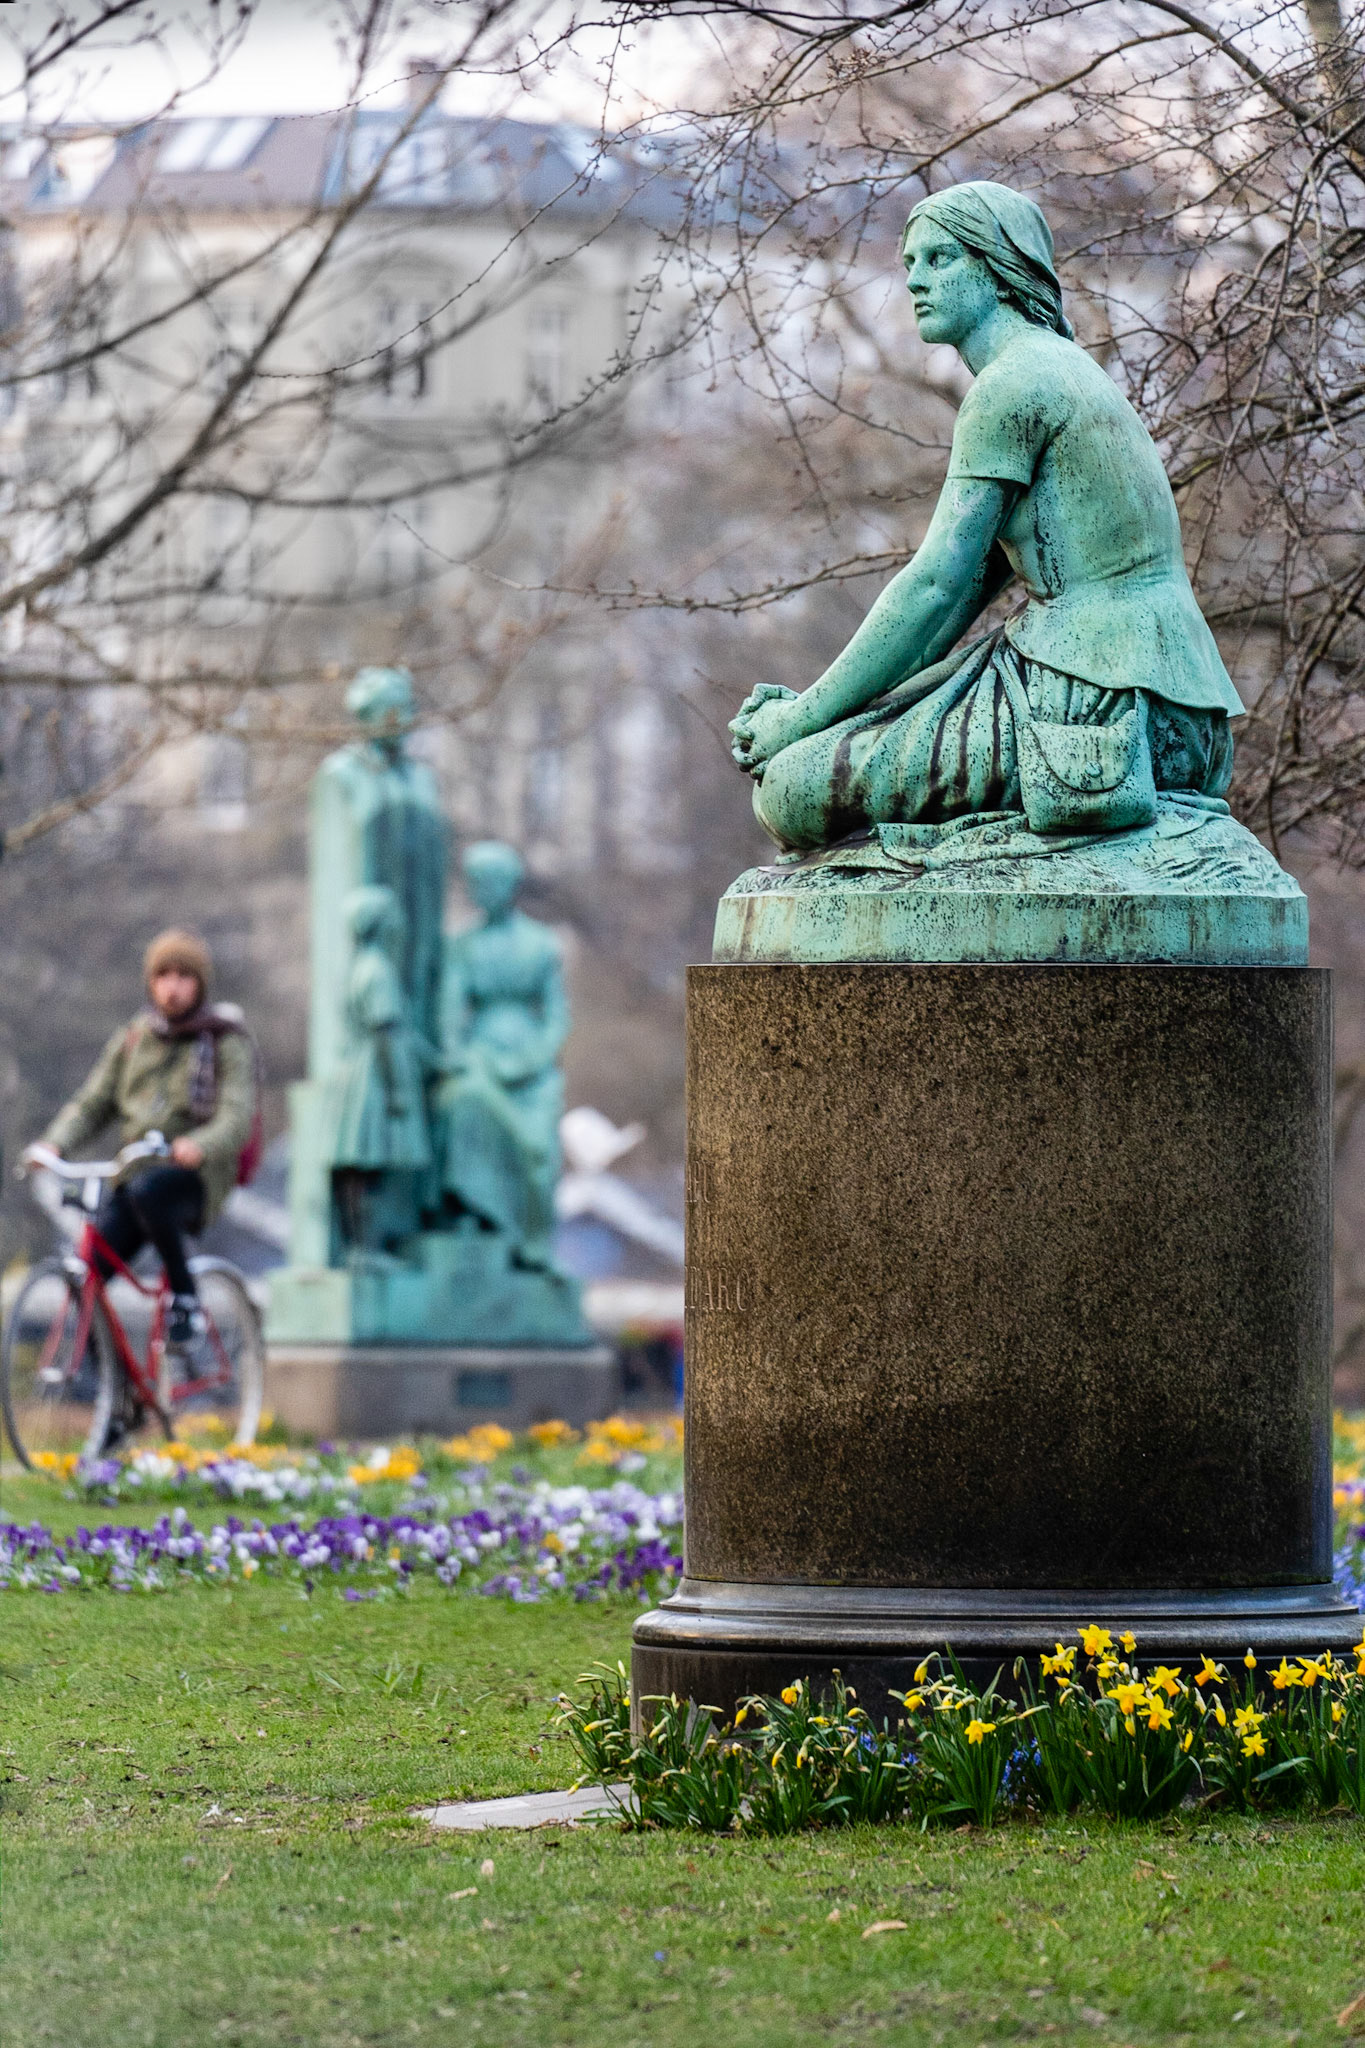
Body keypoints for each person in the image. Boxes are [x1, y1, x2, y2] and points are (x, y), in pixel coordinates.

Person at [727, 180, 1244, 853]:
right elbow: (959, 596)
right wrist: (827, 712)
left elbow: (934, 584)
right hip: (1178, 719)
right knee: (824, 756)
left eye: (941, 259)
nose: (916, 279)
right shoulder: (1060, 371)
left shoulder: (1012, 385)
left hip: (1099, 709)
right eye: (909, 262)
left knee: (791, 789)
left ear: (1001, 272)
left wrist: (798, 723)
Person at [29, 929, 258, 1349]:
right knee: (87, 1275)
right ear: (150, 981)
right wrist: (54, 1144)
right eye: (163, 975)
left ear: (199, 983)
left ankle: (185, 1296)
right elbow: (93, 1102)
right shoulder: (134, 1039)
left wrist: (201, 1144)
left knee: (150, 1191)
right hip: (133, 1175)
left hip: (195, 1177)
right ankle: (115, 1398)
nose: (172, 986)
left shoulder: (226, 1041)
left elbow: (236, 1115)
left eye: (183, 976)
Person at [433, 841, 568, 1272]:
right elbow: (451, 1010)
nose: (478, 891)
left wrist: (528, 1062)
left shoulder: (540, 944)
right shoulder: (463, 944)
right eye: (473, 883)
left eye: (487, 882)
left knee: (537, 1148)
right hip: (480, 1057)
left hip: (530, 1067)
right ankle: (481, 1217)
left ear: (508, 886)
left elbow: (557, 1019)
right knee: (461, 1106)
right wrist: (457, 1054)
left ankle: (533, 1244)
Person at [323, 885, 435, 1255]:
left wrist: (432, 1059)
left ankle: (361, 1247)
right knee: (367, 1167)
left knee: (358, 1168)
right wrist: (400, 1089)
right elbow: (388, 1034)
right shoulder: (377, 971)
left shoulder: (357, 968)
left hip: (356, 1072)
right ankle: (364, 1248)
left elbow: (399, 1032)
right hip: (372, 1077)